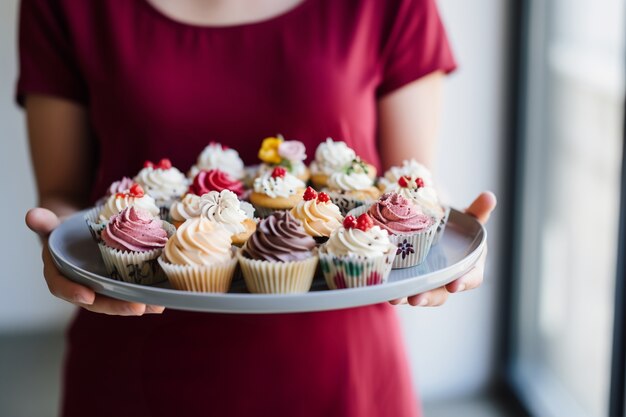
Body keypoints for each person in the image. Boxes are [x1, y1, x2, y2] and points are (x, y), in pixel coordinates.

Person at [19, 0, 496, 416]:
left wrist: (450, 243)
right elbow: (65, 194)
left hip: (343, 374)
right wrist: (60, 236)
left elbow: (407, 185)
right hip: (133, 361)